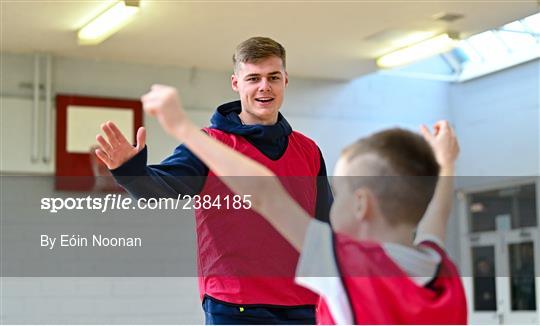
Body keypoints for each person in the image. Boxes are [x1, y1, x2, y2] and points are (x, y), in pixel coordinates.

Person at [136, 84, 468, 324]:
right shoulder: (441, 267)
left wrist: (182, 127)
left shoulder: (345, 266)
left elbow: (264, 193)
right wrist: (446, 163)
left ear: (361, 205)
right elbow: (436, 215)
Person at [95, 37, 332, 324]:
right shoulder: (209, 145)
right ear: (236, 83)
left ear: (285, 81)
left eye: (273, 77)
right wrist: (129, 170)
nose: (264, 87)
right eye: (253, 78)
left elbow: (325, 228)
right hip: (234, 305)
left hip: (302, 304)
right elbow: (155, 189)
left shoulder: (308, 150)